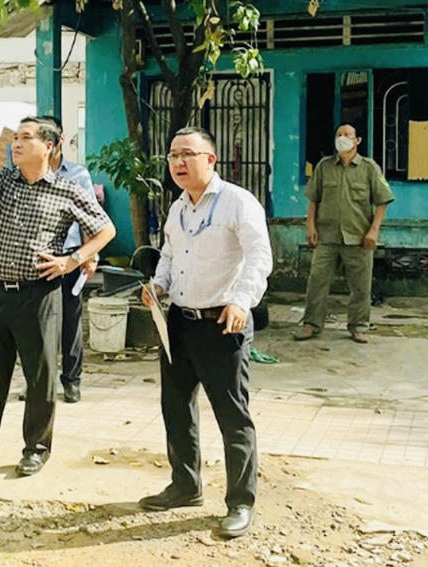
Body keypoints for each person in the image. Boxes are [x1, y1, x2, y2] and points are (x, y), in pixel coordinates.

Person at [0, 116, 116, 477]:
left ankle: (36, 449)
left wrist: (73, 260)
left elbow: (105, 230)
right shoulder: (6, 180)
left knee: (40, 377)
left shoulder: (67, 190)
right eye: (16, 138)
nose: (16, 144)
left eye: (26, 138)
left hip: (38, 295)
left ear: (48, 147)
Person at [140, 126, 272, 538]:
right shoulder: (178, 207)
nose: (178, 162)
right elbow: (169, 254)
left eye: (187, 154)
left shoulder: (237, 202)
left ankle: (240, 502)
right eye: (172, 155)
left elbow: (259, 256)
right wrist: (158, 285)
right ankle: (185, 486)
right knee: (176, 407)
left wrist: (241, 301)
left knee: (232, 415)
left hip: (222, 324)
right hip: (179, 323)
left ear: (210, 159)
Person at [294, 123, 394, 344]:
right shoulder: (324, 166)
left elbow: (383, 201)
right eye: (339, 134)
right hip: (327, 236)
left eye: (348, 135)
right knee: (317, 282)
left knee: (360, 286)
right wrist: (310, 226)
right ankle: (311, 324)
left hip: (358, 237)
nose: (343, 138)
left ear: (357, 140)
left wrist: (374, 231)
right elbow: (314, 199)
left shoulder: (369, 168)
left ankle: (359, 326)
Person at [40, 115, 98, 403]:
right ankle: (39, 381)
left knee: (70, 322)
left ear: (59, 140)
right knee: (38, 324)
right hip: (39, 258)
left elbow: (90, 219)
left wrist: (90, 255)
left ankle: (71, 381)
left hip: (71, 257)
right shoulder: (26, 175)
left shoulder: (77, 175)